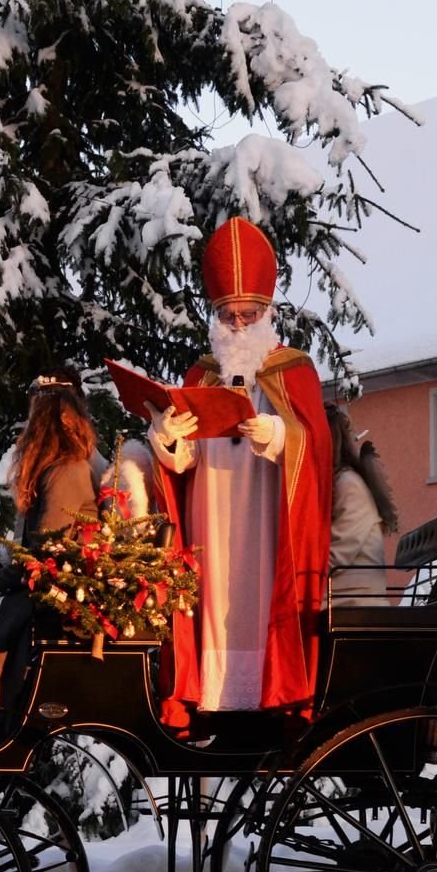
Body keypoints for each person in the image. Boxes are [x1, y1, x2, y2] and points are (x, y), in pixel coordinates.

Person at [147, 217, 333, 720]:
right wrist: (169, 438)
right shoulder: (200, 374)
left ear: (267, 312)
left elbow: (316, 446)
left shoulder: (292, 370)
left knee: (255, 604)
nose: (237, 326)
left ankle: (270, 700)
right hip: (211, 517)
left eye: (248, 315)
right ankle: (214, 700)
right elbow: (182, 465)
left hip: (266, 520)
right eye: (228, 315)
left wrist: (278, 436)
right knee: (214, 604)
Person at [0, 371, 103, 747]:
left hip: (55, 594)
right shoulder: (57, 467)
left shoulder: (67, 469)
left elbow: (43, 553)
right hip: (44, 587)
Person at [327, 406, 401, 607]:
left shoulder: (349, 485)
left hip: (352, 597)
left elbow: (337, 556)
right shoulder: (341, 482)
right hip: (344, 590)